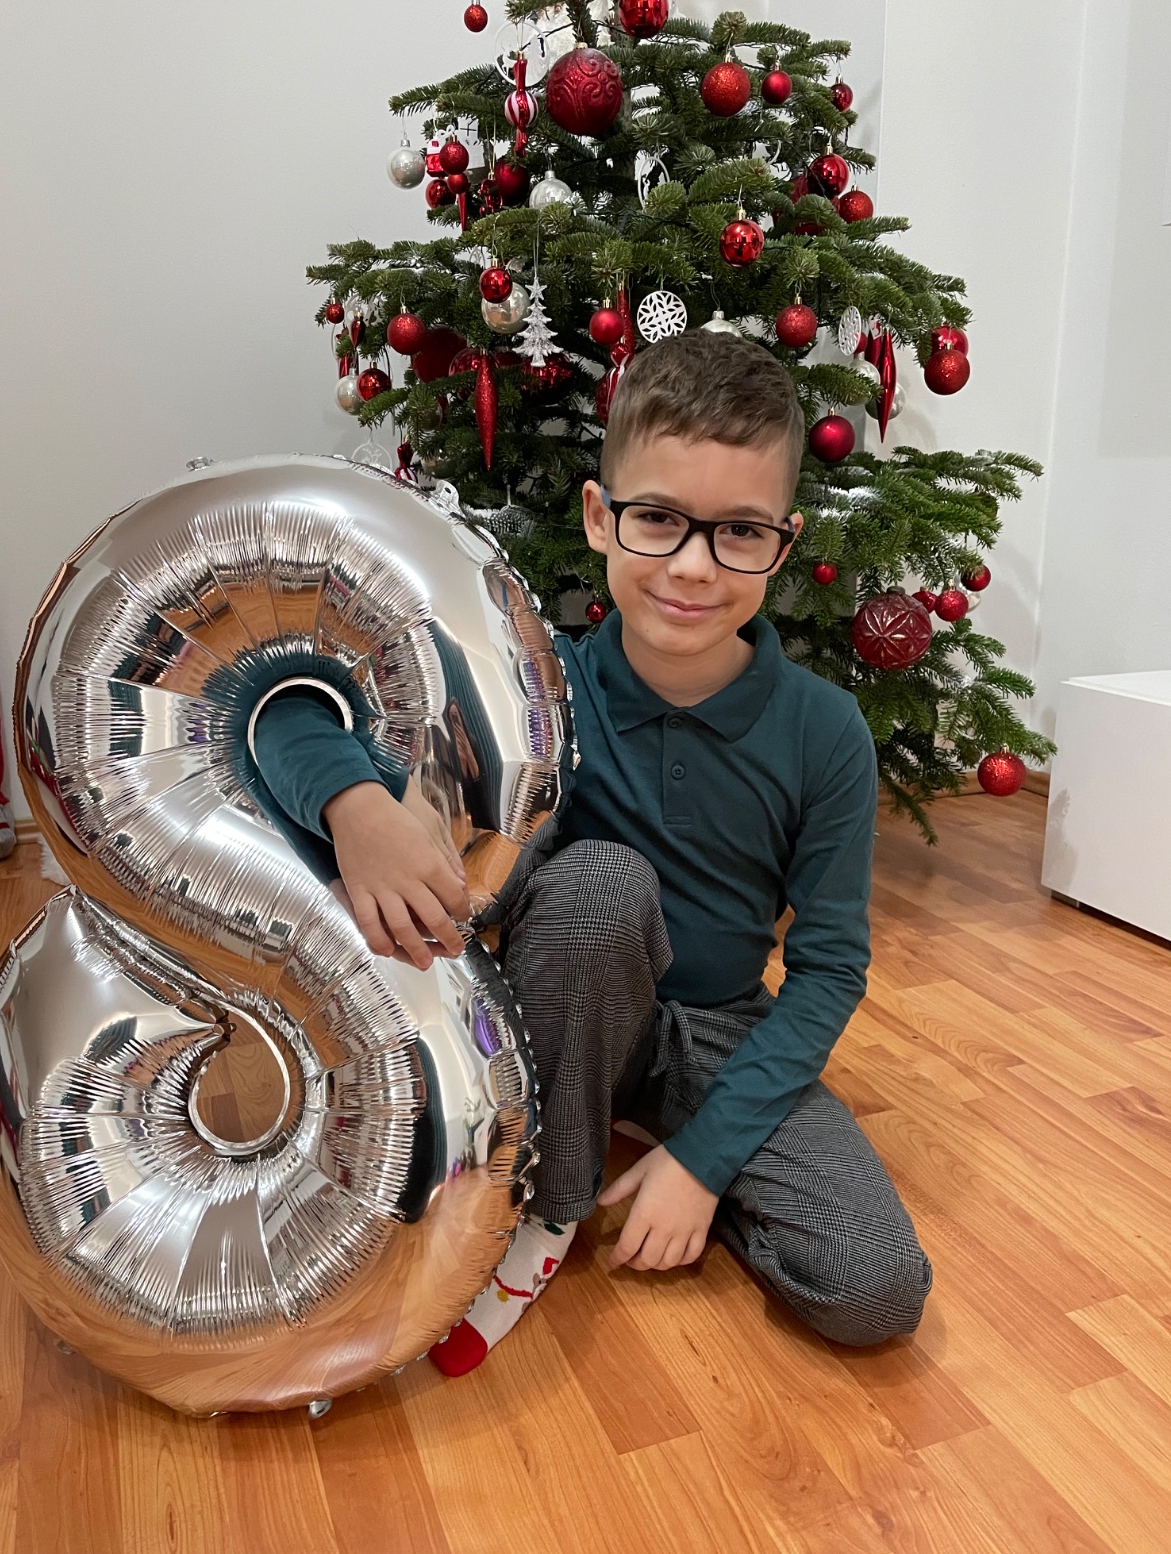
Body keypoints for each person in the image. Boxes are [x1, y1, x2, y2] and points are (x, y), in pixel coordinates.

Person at [252, 331, 932, 1377]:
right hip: (554, 1009)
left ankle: (650, 1148)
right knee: (602, 884)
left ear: (784, 543)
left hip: (723, 1034)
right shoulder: (532, 682)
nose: (693, 566)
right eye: (658, 519)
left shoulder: (826, 730)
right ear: (598, 516)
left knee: (874, 1286)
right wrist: (356, 804)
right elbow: (285, 707)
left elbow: (831, 967)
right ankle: (550, 1207)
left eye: (739, 532)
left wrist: (704, 1165)